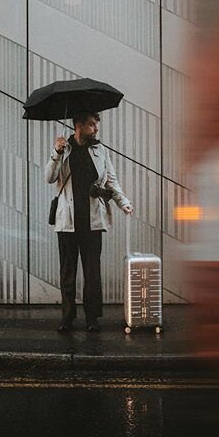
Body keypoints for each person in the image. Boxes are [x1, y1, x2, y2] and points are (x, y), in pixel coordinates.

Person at [45, 111, 133, 333]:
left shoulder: (99, 150)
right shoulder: (63, 149)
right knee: (68, 272)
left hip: (93, 220)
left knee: (92, 272)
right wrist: (56, 153)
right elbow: (49, 177)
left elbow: (111, 181)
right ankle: (67, 317)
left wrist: (123, 203)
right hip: (68, 221)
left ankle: (92, 318)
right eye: (92, 124)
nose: (96, 129)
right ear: (79, 125)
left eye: (96, 124)